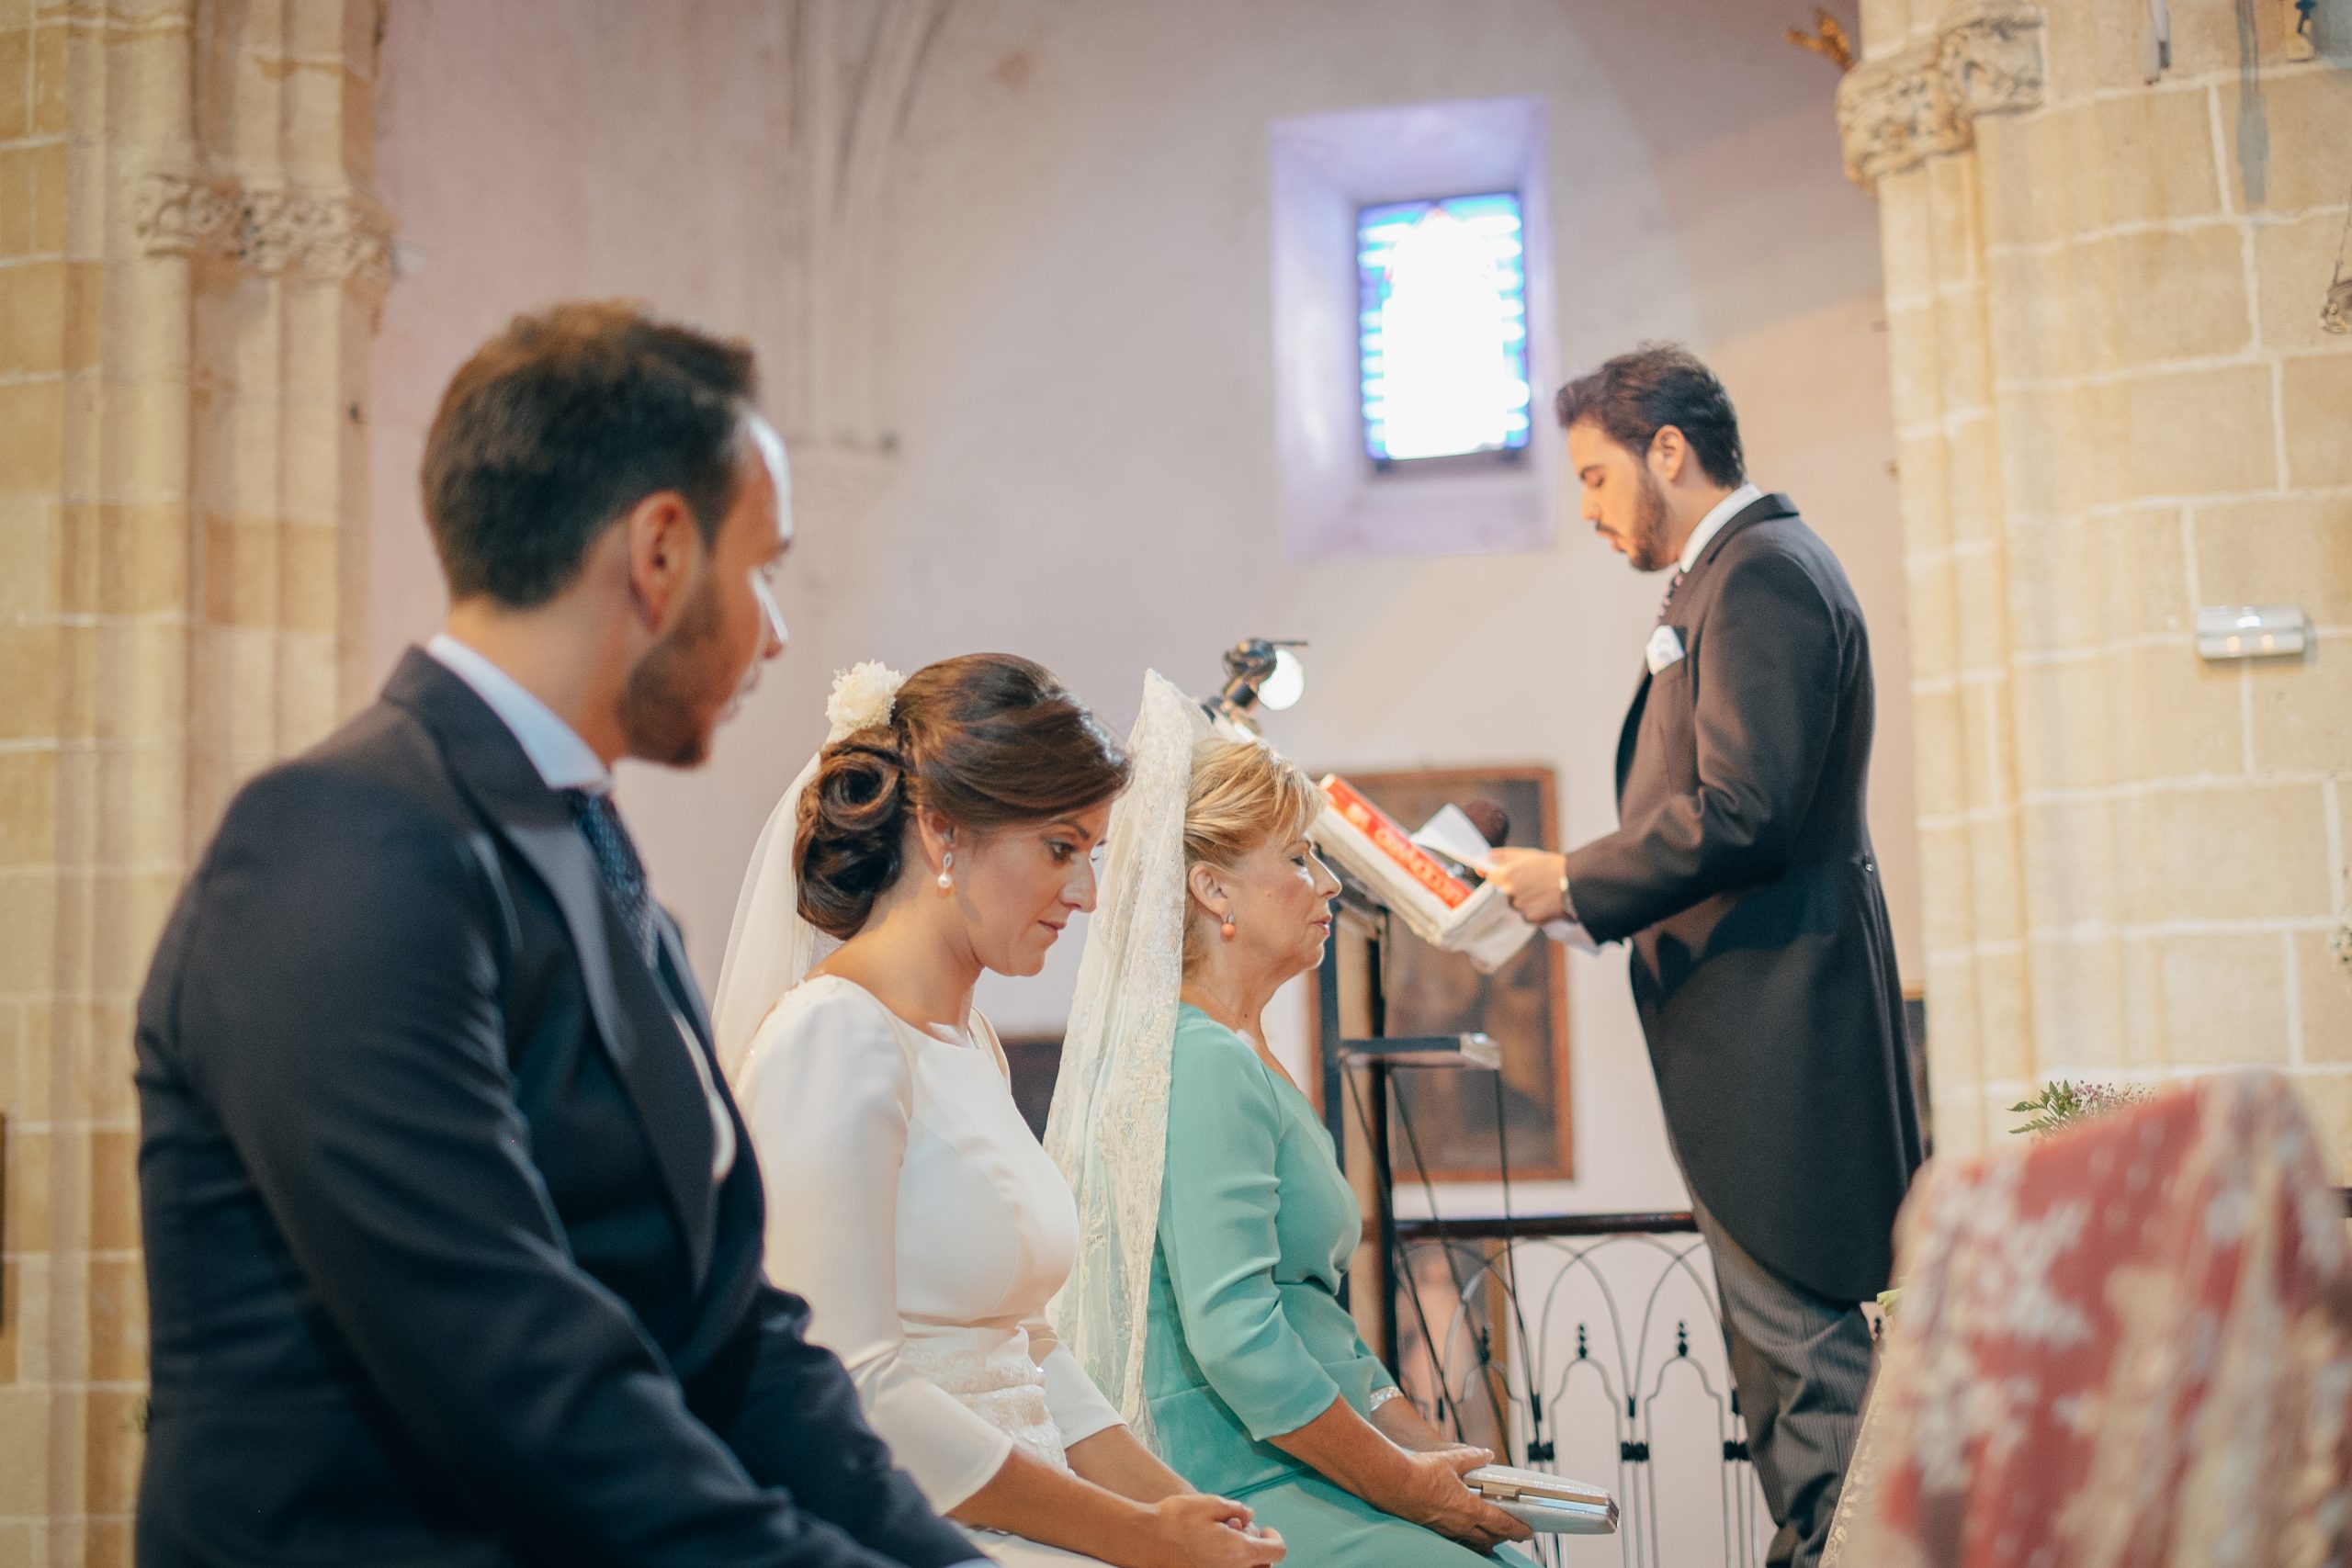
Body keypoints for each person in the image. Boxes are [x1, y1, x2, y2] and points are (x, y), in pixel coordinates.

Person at [132, 302, 980, 1568]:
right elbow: (515, 1369)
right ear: (656, 551)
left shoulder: (586, 847)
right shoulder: (340, 843)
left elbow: (734, 1338)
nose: (777, 626)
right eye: (762, 567)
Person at [1483, 343, 1924, 1568]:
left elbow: (1747, 807)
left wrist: (1575, 874)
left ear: (1666, 448)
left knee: (1816, 1403)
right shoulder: (1733, 573)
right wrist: (1575, 906)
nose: (1585, 508)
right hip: (1763, 1035)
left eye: (1592, 474)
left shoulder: (1761, 571)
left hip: (1781, 1047)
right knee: (1792, 1408)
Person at [714, 656, 1285, 1568]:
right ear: (943, 832)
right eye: (1061, 849)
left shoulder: (965, 1040)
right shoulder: (834, 1040)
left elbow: (1028, 1350)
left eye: (1092, 856)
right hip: (905, 1531)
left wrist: (1187, 1512)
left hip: (1023, 1518)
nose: (1087, 893)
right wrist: (1135, 1538)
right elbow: (851, 1388)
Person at [1044, 675, 1538, 1568]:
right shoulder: (1201, 1059)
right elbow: (1237, 1334)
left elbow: (1325, 1332)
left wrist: (1440, 1460)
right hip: (1241, 1471)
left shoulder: (1240, 1050)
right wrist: (1399, 1480)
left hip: (1294, 1453)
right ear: (1214, 892)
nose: (1327, 888)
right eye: (1299, 858)